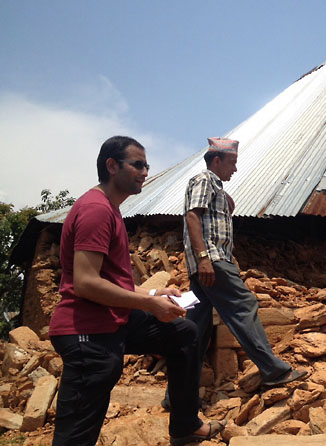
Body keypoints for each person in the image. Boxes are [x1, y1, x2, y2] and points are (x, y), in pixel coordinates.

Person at [49, 136, 225, 446]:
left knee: (183, 333)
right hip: (86, 331)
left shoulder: (110, 208)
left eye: (147, 165)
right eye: (138, 164)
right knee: (76, 434)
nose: (145, 171)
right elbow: (86, 282)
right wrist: (148, 307)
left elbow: (112, 280)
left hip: (112, 320)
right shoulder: (96, 210)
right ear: (112, 166)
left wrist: (154, 295)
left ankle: (185, 426)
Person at [183, 137, 306, 387]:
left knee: (196, 328)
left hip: (208, 264)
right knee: (244, 304)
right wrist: (204, 258)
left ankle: (177, 395)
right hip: (213, 261)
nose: (235, 169)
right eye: (232, 162)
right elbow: (192, 217)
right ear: (216, 161)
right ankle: (274, 371)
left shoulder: (216, 188)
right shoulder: (204, 180)